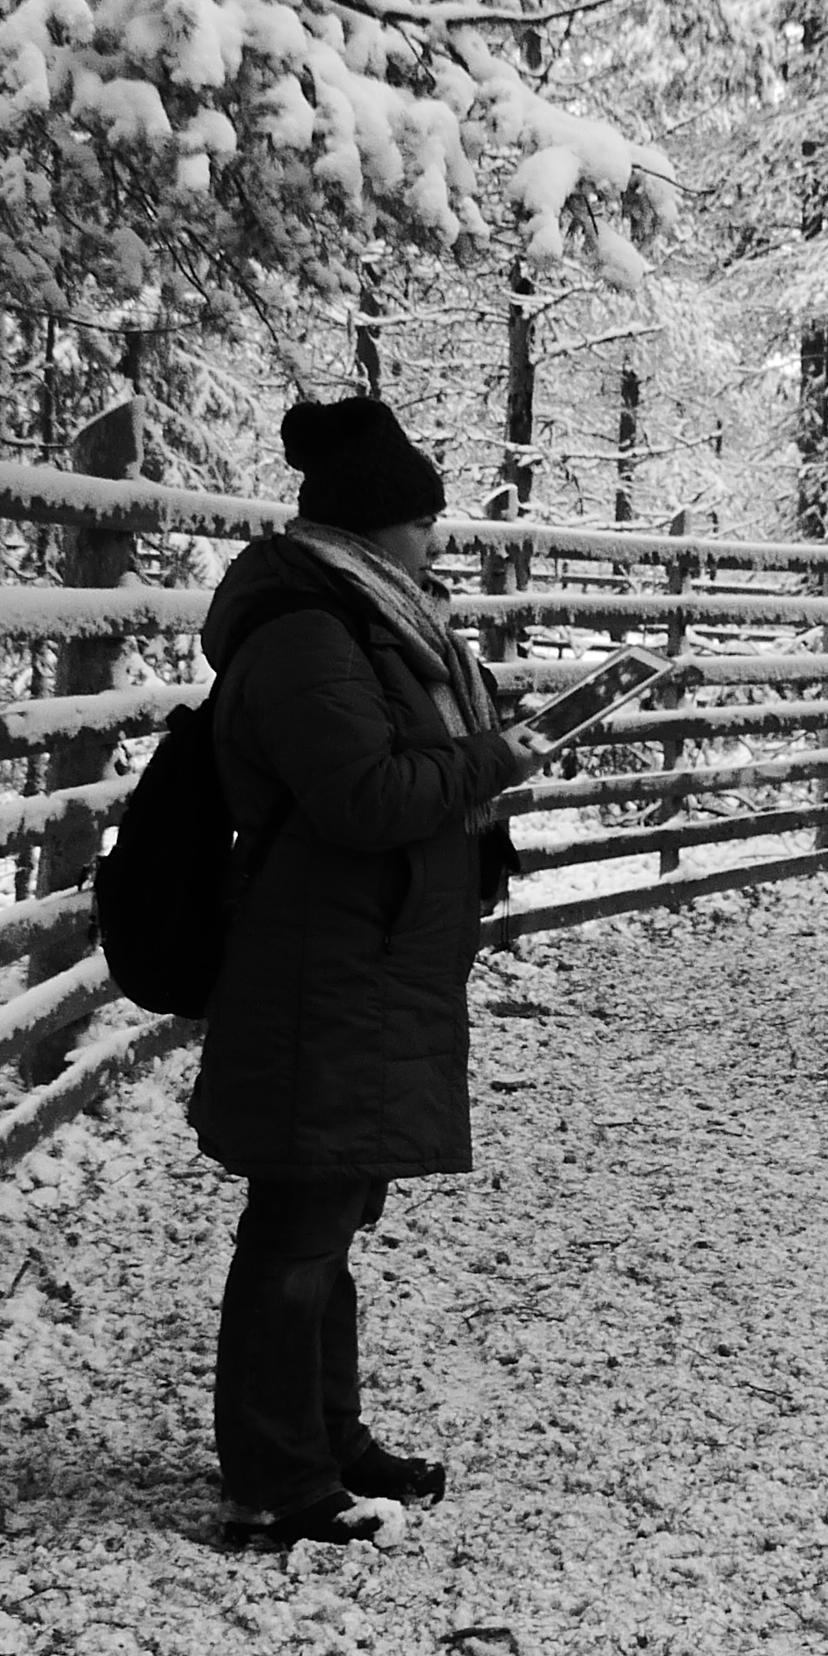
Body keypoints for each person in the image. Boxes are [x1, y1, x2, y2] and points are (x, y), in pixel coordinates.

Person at [189, 395, 538, 1551]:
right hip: (322, 961)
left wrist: (480, 751)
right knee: (297, 1228)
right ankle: (278, 1479)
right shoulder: (309, 633)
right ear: (376, 525)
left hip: (361, 958)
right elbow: (365, 796)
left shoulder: (371, 623)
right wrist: (491, 759)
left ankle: (327, 1441)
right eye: (424, 519)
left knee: (325, 1218)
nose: (435, 537)